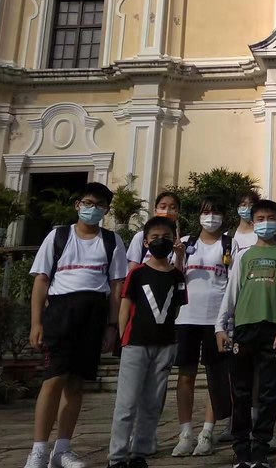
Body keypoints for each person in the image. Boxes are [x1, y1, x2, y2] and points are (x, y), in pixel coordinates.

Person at [25, 182, 128, 468]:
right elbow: (42, 280)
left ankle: (63, 449)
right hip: (60, 313)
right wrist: (36, 323)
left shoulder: (111, 241)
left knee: (76, 383)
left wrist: (111, 326)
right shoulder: (58, 237)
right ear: (77, 205)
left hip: (93, 315)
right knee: (53, 379)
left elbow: (116, 286)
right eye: (87, 203)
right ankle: (38, 450)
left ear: (106, 210)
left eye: (99, 205)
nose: (92, 209)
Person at [216, 199, 276, 468]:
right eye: (260, 218)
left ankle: (261, 448)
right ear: (252, 222)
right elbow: (231, 292)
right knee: (240, 392)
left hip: (272, 330)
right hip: (244, 329)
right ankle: (241, 449)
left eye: (270, 217)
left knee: (269, 392)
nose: (265, 223)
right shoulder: (243, 256)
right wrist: (221, 326)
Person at [108, 216, 188, 468]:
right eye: (155, 237)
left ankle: (140, 452)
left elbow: (175, 309)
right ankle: (117, 456)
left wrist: (181, 259)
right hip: (136, 343)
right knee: (127, 403)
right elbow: (125, 307)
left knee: (152, 403)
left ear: (174, 240)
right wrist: (123, 340)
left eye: (166, 237)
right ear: (145, 242)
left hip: (164, 345)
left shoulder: (177, 276)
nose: (160, 241)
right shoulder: (137, 273)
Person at [172, 196, 233, 457]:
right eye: (206, 212)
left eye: (216, 212)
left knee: (214, 377)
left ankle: (207, 430)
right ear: (198, 215)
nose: (211, 217)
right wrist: (178, 257)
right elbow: (175, 277)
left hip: (215, 321)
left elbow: (233, 282)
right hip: (185, 318)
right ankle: (185, 431)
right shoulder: (186, 243)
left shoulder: (229, 244)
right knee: (185, 376)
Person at [126, 191, 182, 270]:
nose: (167, 211)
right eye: (163, 207)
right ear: (155, 211)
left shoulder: (182, 241)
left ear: (178, 212)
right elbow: (132, 270)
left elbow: (178, 275)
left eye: (173, 208)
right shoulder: (141, 237)